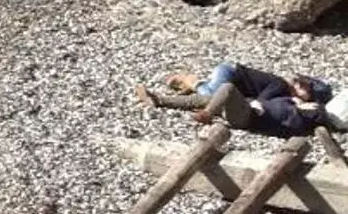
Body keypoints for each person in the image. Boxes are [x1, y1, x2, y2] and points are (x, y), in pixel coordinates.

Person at [141, 61, 336, 136]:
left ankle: (205, 110)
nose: (304, 95)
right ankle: (160, 99)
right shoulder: (281, 87)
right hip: (231, 76)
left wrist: (298, 105)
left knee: (220, 93)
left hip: (246, 115)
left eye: (308, 95)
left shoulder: (303, 114)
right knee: (214, 95)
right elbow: (261, 102)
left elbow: (267, 108)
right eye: (305, 91)